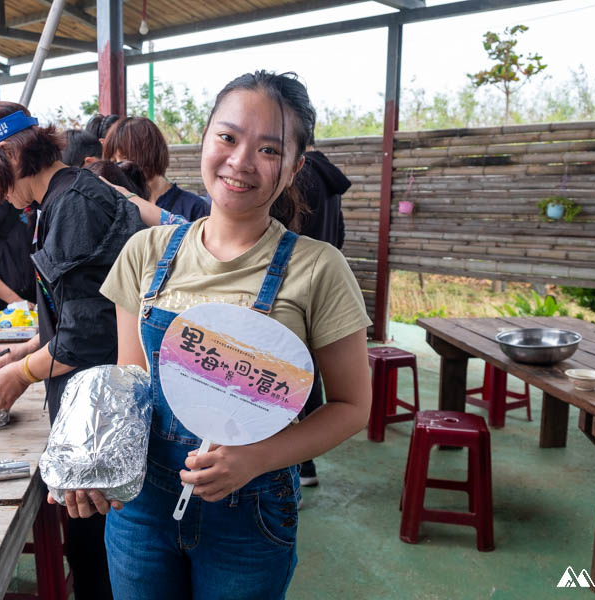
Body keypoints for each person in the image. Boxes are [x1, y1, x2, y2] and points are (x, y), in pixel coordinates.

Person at [69, 71, 373, 599]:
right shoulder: (147, 252)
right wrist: (90, 457)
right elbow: (130, 383)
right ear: (206, 138)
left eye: (269, 149)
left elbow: (351, 405)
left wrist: (255, 458)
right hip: (141, 510)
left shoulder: (318, 268)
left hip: (251, 516)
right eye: (228, 138)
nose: (240, 162)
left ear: (295, 166)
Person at [0, 101, 145, 600]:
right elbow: (77, 311)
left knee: (95, 553)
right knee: (87, 544)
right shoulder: (59, 201)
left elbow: (88, 336)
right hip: (89, 401)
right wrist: (23, 351)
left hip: (103, 413)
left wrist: (22, 375)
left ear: (8, 156)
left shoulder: (75, 206)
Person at [292, 142, 351, 487]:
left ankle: (298, 470)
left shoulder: (298, 176)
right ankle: (306, 466)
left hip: (289, 279)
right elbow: (339, 235)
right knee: (307, 369)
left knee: (289, 371)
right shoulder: (330, 180)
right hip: (319, 280)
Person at [103, 116, 211, 222]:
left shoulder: (195, 208)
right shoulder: (117, 206)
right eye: (113, 161)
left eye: (125, 158)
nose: (119, 166)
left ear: (150, 152)